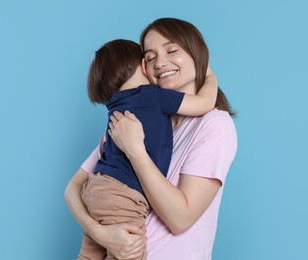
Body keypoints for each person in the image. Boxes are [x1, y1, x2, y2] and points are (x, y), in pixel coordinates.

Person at [65, 17, 237, 260]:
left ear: (197, 53)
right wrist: (100, 233)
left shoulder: (213, 125)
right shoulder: (128, 122)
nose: (160, 63)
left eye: (172, 50)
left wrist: (135, 150)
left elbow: (180, 219)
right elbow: (72, 188)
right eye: (150, 56)